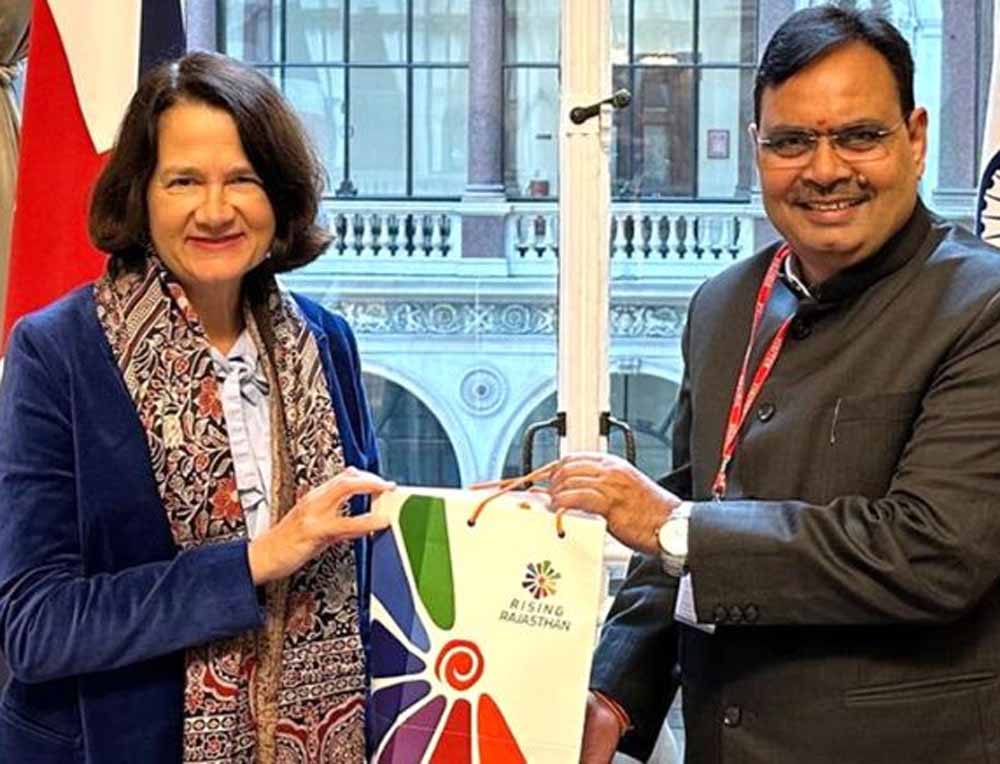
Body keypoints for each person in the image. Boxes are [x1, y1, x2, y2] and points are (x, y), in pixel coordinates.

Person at [548, 7, 1000, 763]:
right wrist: (615, 692)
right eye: (791, 142)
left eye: (859, 136)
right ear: (757, 147)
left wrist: (673, 525)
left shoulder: (983, 305)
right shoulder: (724, 304)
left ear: (916, 138)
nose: (824, 170)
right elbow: (691, 507)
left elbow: (933, 551)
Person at [0, 52, 396, 763]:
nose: (215, 211)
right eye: (184, 180)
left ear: (278, 195)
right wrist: (253, 563)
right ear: (141, 195)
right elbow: (38, 627)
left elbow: (369, 566)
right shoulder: (57, 352)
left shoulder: (327, 341)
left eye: (242, 179)